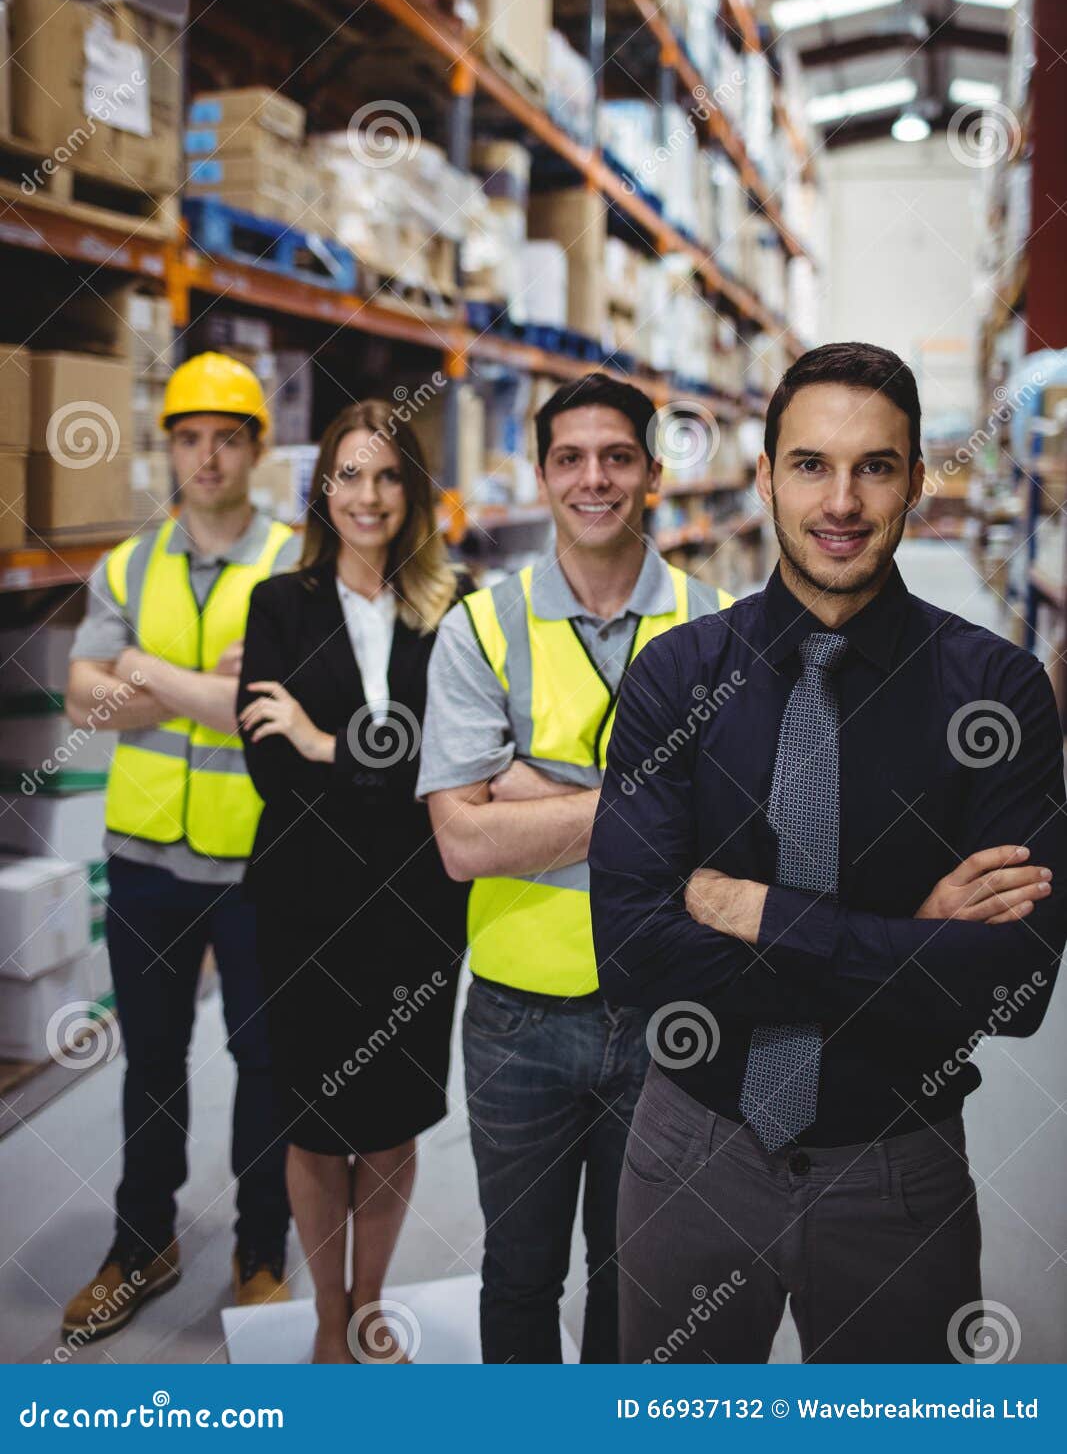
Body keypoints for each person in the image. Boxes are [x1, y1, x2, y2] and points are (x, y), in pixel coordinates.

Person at [589, 341, 1067, 1365]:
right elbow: (632, 952)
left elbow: (1012, 986)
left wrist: (758, 912)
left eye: (873, 466)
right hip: (688, 1156)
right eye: (809, 464)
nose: (839, 500)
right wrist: (909, 939)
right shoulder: (675, 680)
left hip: (895, 1166)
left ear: (911, 480)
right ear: (764, 477)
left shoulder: (994, 689)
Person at [418, 373, 734, 1363]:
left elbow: (738, 829)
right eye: (569, 457)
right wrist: (650, 803)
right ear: (545, 473)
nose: (591, 478)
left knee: (636, 1273)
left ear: (649, 472)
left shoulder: (719, 623)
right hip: (518, 1010)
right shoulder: (480, 627)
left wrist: (527, 789)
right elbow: (462, 843)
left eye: (615, 456)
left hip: (668, 1011)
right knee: (517, 1274)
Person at [62, 352, 300, 1342]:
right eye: (190, 437)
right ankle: (141, 1243)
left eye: (227, 438)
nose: (207, 456)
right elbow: (85, 694)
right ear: (172, 448)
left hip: (261, 862)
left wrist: (145, 673)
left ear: (253, 448)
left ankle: (259, 1255)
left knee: (267, 1062)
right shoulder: (128, 562)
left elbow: (288, 706)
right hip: (150, 857)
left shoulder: (296, 559)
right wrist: (212, 689)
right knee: (150, 1061)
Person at [236, 399, 470, 1365]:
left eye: (387, 476)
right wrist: (385, 770)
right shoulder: (278, 606)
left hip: (419, 911)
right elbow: (267, 768)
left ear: (412, 490)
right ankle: (327, 1324)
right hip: (303, 907)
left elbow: (455, 762)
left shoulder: (453, 611)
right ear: (321, 488)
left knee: (391, 1124)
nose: (367, 496)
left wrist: (329, 744)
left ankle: (368, 1303)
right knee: (313, 1124)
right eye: (349, 475)